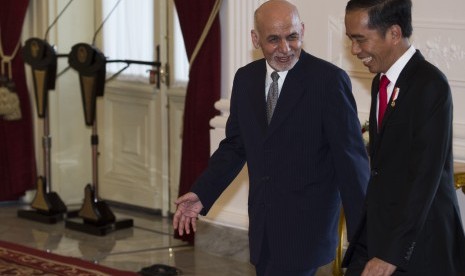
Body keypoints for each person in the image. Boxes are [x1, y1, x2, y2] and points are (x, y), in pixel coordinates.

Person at [173, 0, 369, 275]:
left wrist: (365, 242)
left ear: (302, 30)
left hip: (306, 229)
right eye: (273, 40)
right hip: (263, 227)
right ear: (255, 39)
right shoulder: (245, 80)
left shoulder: (328, 81)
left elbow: (351, 163)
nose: (285, 48)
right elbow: (235, 146)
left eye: (292, 37)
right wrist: (202, 192)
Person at [343, 0, 465, 275]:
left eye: (361, 39)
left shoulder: (431, 85)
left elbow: (424, 178)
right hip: (380, 235)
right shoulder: (381, 82)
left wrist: (390, 254)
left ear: (394, 34)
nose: (354, 49)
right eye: (351, 39)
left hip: (419, 248)